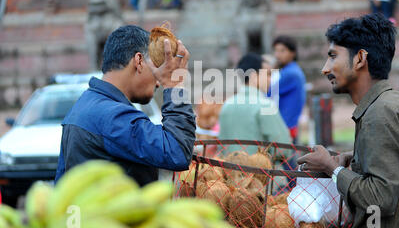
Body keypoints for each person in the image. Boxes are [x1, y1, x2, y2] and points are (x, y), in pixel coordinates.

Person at [297, 13, 399, 228]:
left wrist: (331, 168)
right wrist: (356, 158)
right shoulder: (394, 104)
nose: (325, 69)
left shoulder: (380, 114)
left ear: (360, 58)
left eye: (333, 57)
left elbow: (380, 198)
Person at [55, 25, 196, 186]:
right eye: (157, 69)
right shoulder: (111, 116)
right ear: (139, 61)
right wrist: (174, 86)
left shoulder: (85, 105)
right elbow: (177, 152)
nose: (158, 82)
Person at [219, 53, 291, 155]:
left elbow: (221, 149)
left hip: (229, 170)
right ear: (254, 76)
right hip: (262, 170)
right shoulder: (265, 106)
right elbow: (283, 150)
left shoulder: (226, 106)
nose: (270, 79)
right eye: (268, 74)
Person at [268, 36, 306, 143]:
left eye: (282, 51)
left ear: (292, 53)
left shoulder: (290, 74)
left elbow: (267, 93)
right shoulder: (290, 70)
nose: (277, 55)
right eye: (276, 51)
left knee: (286, 159)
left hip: (285, 127)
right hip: (289, 126)